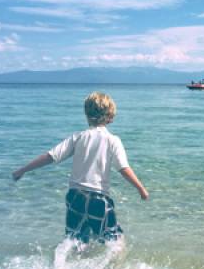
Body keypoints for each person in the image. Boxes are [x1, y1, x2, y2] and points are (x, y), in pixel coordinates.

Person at [12, 91, 149, 244]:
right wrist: (141, 188)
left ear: (86, 114)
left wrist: (22, 170)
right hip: (98, 198)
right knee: (116, 242)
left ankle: (65, 267)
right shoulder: (112, 140)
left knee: (75, 242)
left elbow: (50, 156)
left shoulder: (78, 137)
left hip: (75, 197)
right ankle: (113, 268)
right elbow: (123, 168)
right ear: (110, 117)